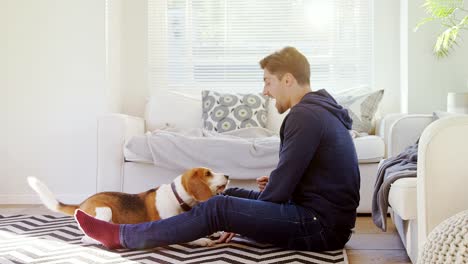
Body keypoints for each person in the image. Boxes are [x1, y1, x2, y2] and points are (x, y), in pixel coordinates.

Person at [74, 46, 360, 251]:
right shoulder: (320, 112)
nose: (265, 91)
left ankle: (125, 236)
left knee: (221, 207)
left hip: (319, 227)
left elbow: (282, 190)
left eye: (268, 82)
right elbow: (307, 178)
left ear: (287, 79)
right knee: (229, 193)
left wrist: (245, 215)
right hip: (320, 218)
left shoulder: (304, 115)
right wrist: (263, 196)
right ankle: (180, 226)